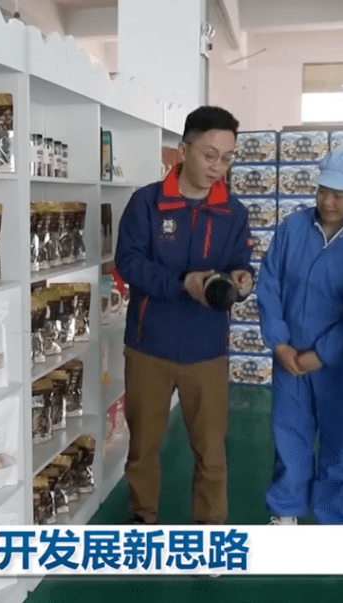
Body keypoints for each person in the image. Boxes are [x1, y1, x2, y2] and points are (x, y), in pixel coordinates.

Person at [115, 105, 255, 525]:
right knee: (143, 447)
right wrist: (183, 282)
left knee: (211, 453)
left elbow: (239, 260)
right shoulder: (147, 203)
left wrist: (242, 279)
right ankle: (143, 521)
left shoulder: (233, 211)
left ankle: (210, 532)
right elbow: (129, 264)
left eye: (227, 158)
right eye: (209, 155)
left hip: (206, 349)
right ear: (183, 150)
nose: (218, 167)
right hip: (149, 345)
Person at [256, 149, 343, 526]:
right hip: (289, 357)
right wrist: (279, 342)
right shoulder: (292, 228)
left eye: (339, 194)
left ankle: (334, 521)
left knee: (340, 445)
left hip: (341, 365)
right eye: (322, 191)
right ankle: (285, 512)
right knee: (290, 437)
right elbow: (269, 284)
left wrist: (323, 353)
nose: (328, 201)